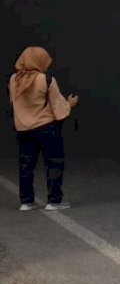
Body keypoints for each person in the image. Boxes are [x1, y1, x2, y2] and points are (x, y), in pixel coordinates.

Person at [9, 47, 79, 211]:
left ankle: (26, 201)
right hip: (46, 128)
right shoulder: (46, 79)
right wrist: (70, 103)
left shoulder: (14, 79)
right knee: (54, 163)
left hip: (23, 129)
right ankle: (54, 200)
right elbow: (58, 107)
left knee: (26, 166)